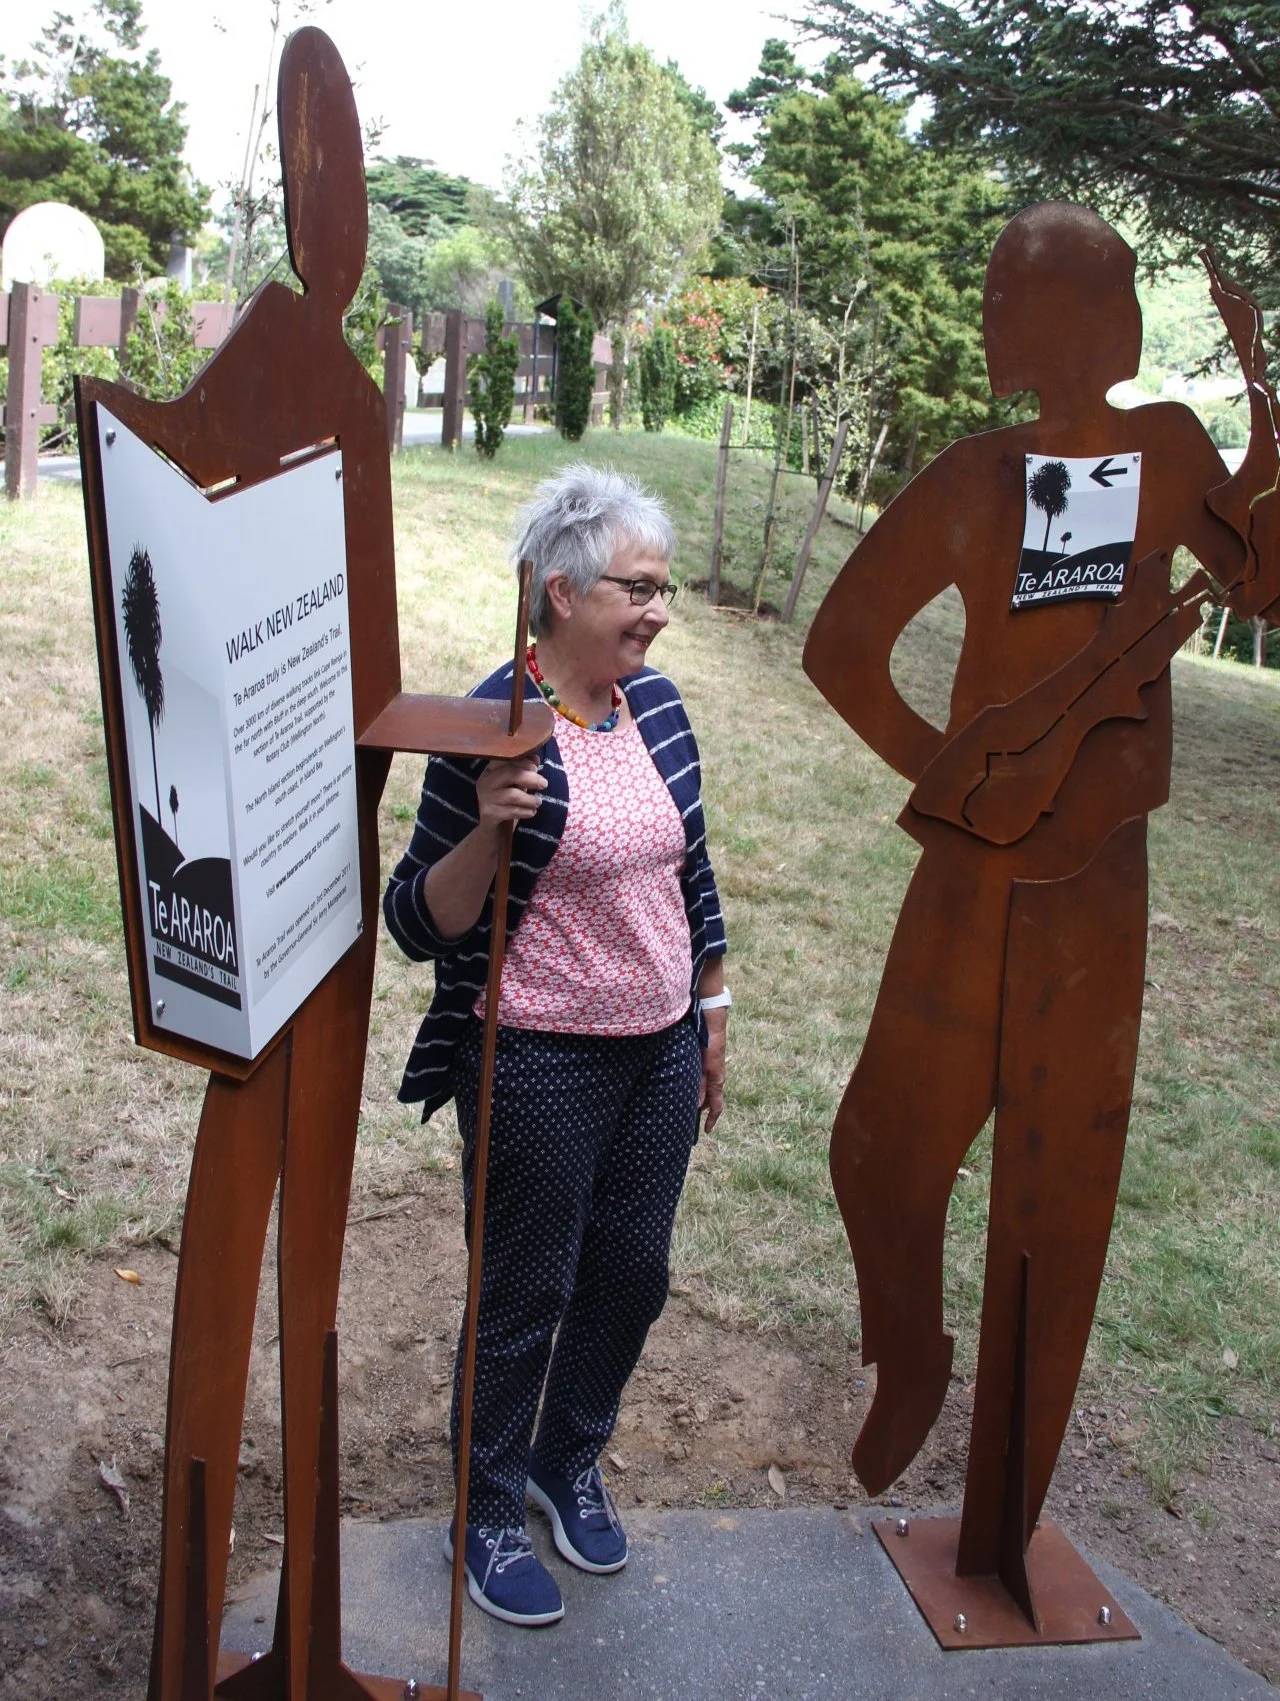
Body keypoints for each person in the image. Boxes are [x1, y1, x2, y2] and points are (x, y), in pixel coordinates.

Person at [803, 203, 1277, 1575]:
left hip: (1097, 885)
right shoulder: (976, 473)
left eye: (1014, 294)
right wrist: (957, 780)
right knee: (877, 1150)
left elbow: (1262, 580)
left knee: (1053, 1203)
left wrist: (1264, 416)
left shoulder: (1169, 449)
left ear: (1078, 316)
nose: (993, 316)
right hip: (969, 873)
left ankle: (1004, 1522)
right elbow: (841, 646)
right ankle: (911, 1347)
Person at [384, 463, 729, 1627]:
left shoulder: (656, 707)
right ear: (561, 592)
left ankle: (563, 1459)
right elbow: (415, 921)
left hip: (657, 1048)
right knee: (523, 1294)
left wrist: (711, 1007)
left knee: (630, 1277)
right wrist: (489, 825)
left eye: (662, 589)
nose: (657, 611)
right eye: (638, 588)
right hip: (533, 1055)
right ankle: (482, 1509)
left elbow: (689, 867)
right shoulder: (492, 722)